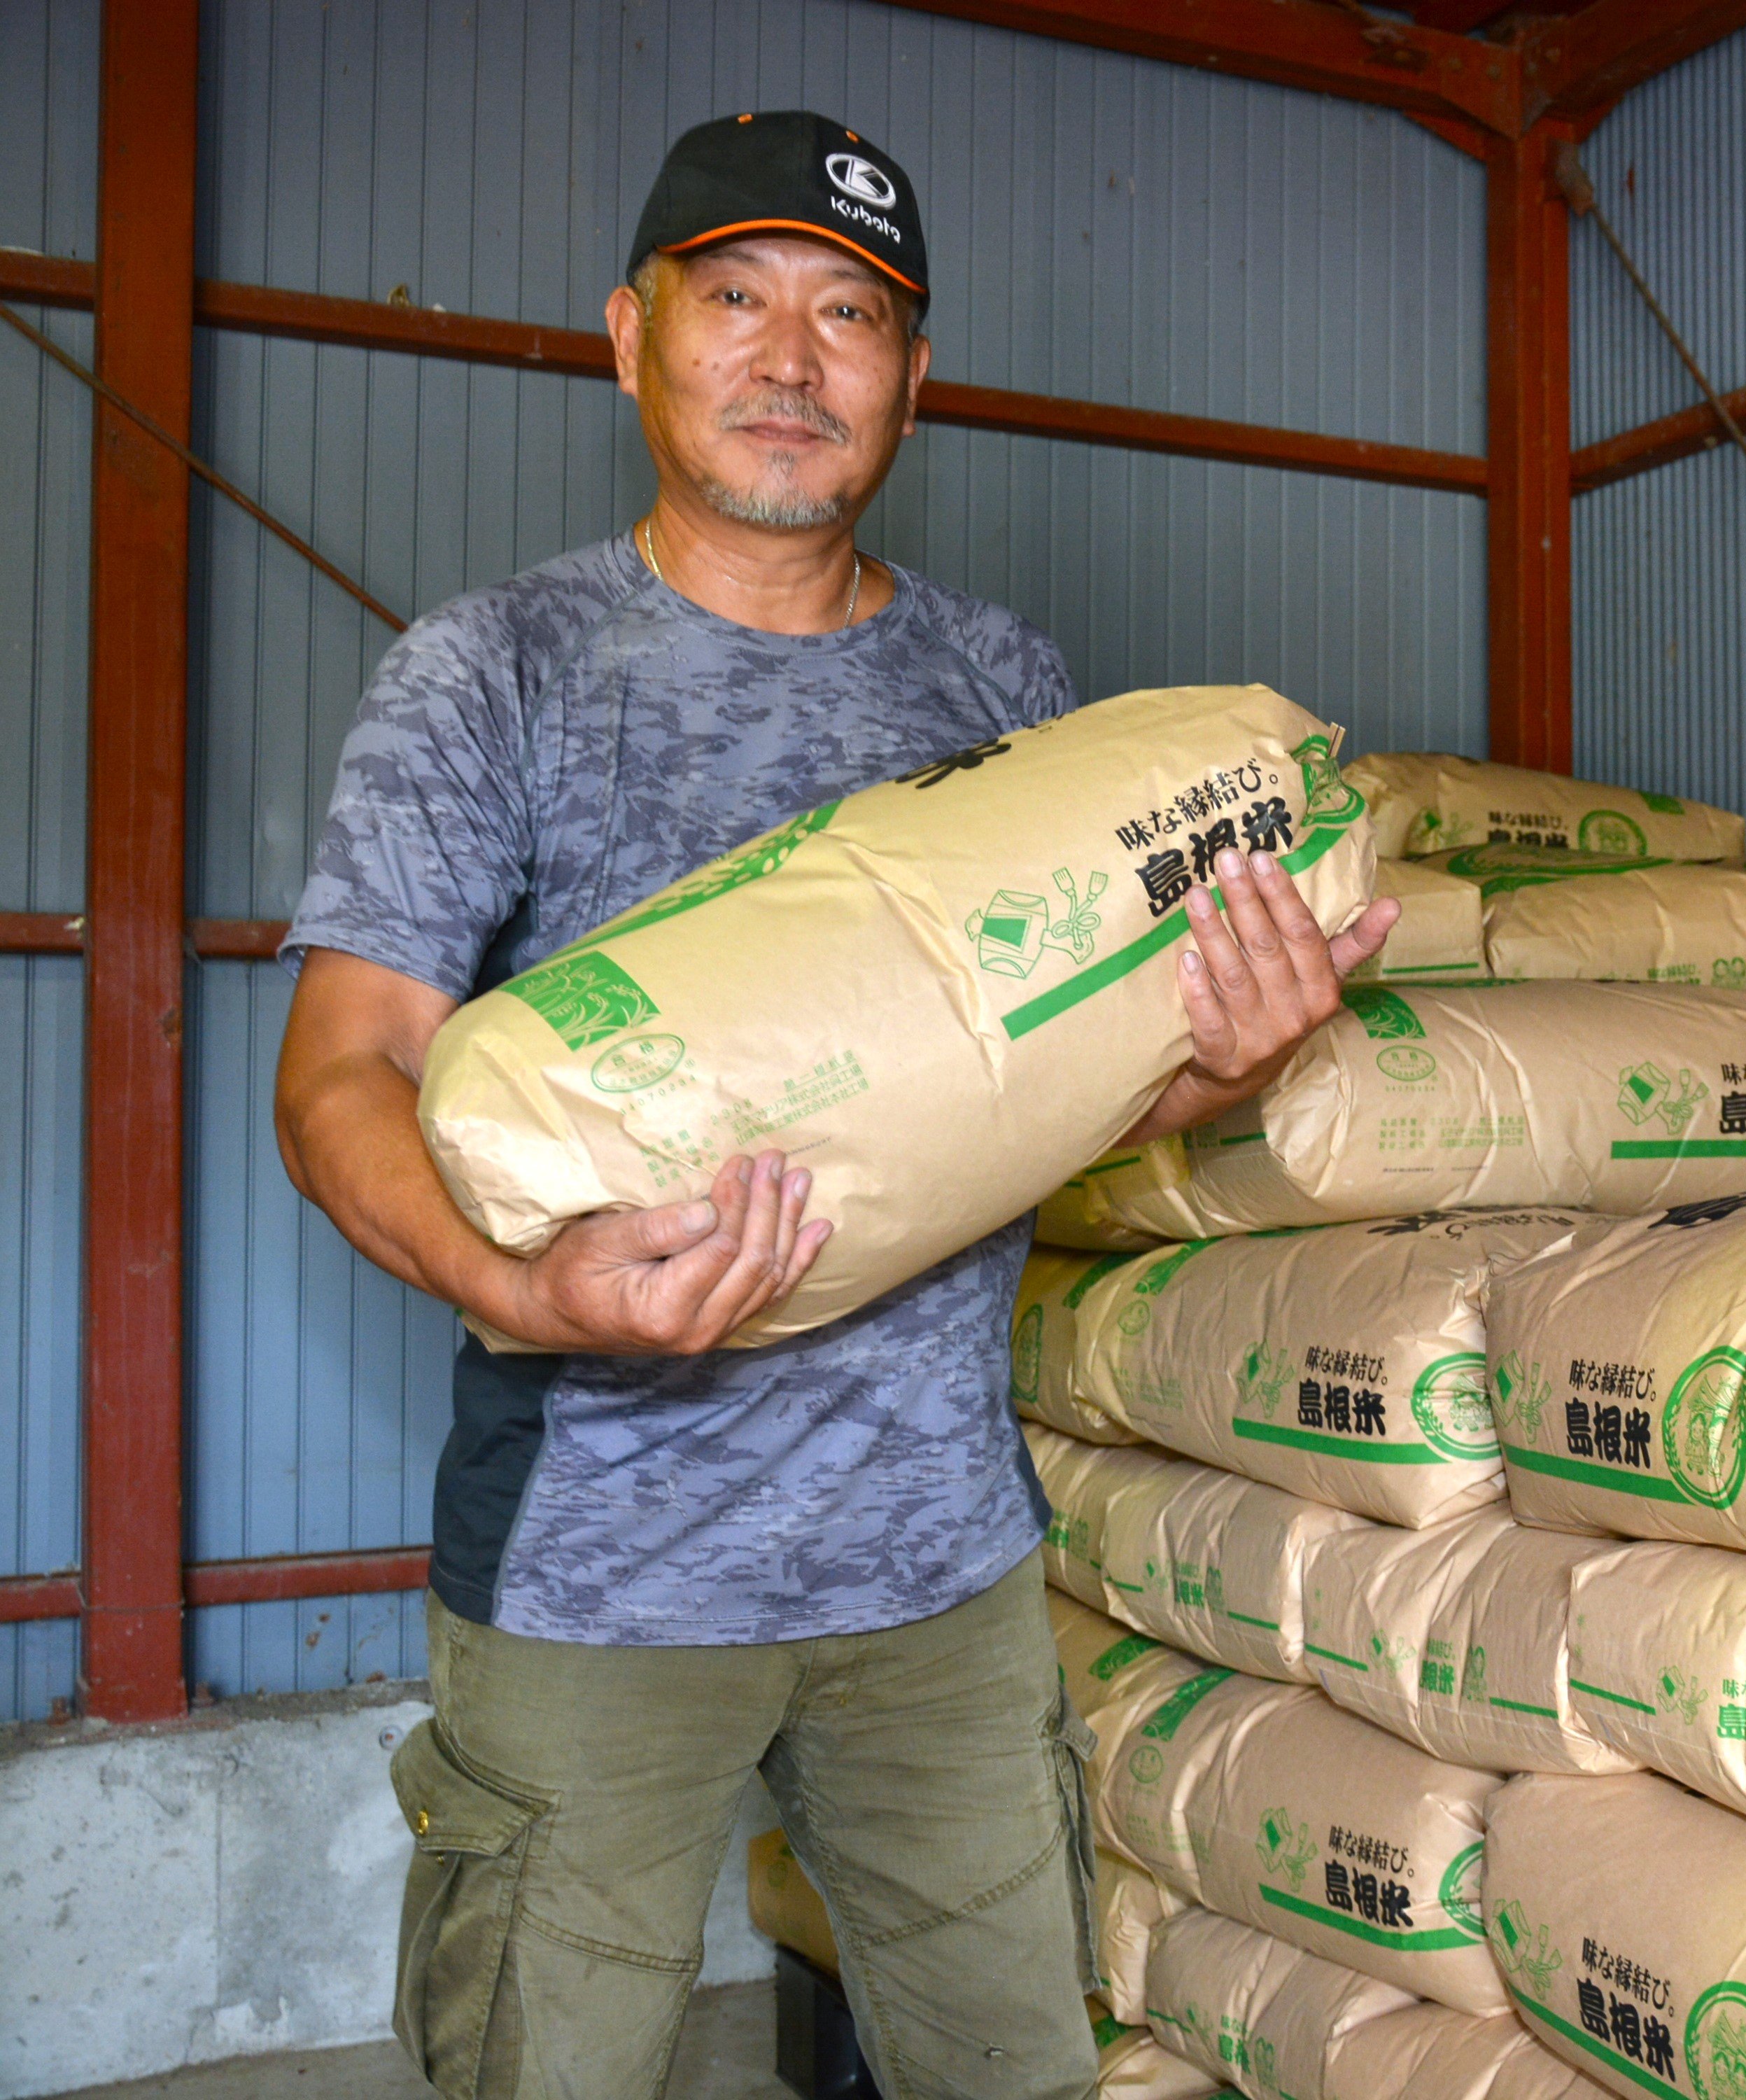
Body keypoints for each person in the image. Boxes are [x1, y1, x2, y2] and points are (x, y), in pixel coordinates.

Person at [273, 111, 1395, 2100]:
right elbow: (342, 1069)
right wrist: (522, 1291)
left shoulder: (1003, 686)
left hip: (939, 1573)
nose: (791, 360)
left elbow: (1044, 1103)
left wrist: (1224, 1063)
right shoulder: (497, 673)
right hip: (599, 1577)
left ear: (914, 376)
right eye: (737, 299)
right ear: (632, 335)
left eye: (850, 316)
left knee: (1013, 2071)